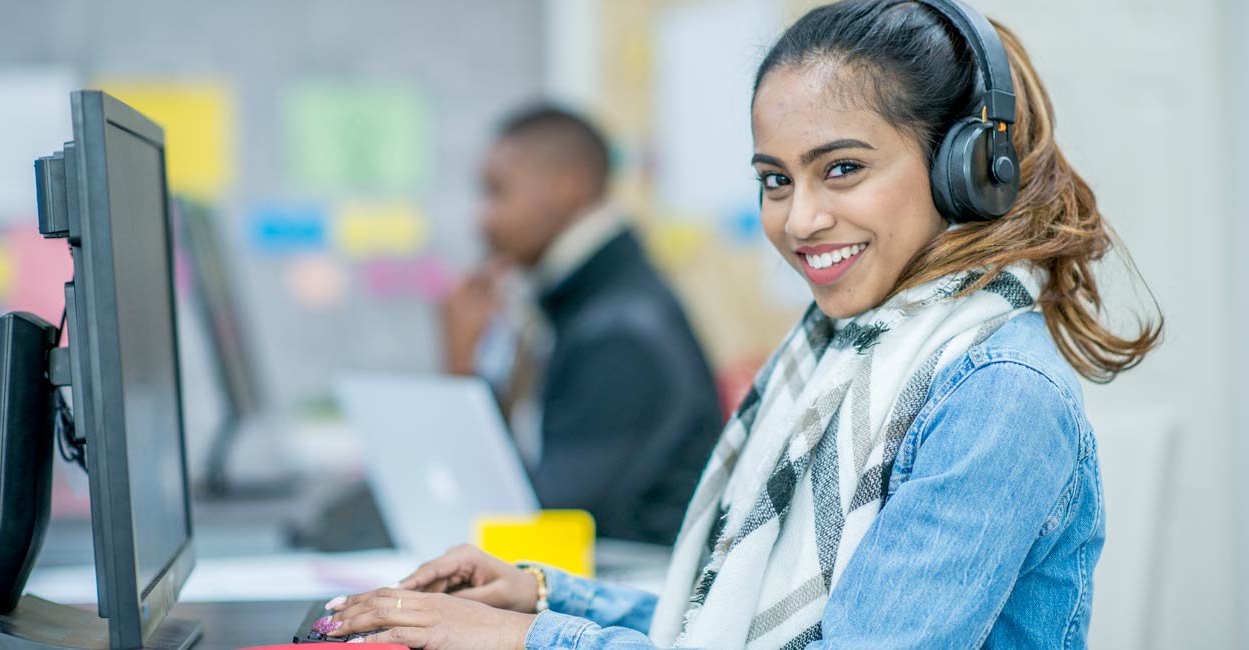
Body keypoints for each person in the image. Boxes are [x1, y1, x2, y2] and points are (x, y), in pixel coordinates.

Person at [316, 0, 1162, 647]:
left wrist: (536, 640)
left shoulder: (994, 395)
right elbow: (737, 618)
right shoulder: (837, 354)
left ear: (966, 171)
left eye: (842, 168)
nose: (799, 220)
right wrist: (545, 596)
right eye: (776, 179)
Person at [439, 106, 724, 545]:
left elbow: (537, 522)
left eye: (498, 193)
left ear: (568, 187)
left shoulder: (618, 331)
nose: (483, 218)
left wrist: (462, 369)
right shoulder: (587, 300)